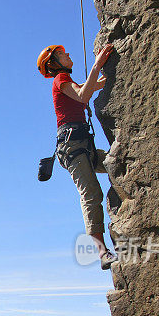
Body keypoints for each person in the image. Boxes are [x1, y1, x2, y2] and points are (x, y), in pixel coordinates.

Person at [37, 44, 116, 270]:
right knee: (91, 193)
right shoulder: (60, 78)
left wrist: (107, 70)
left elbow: (90, 87)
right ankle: (102, 253)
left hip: (82, 144)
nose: (68, 54)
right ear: (55, 63)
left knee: (114, 162)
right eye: (63, 54)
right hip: (73, 147)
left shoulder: (66, 81)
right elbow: (83, 96)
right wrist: (98, 64)